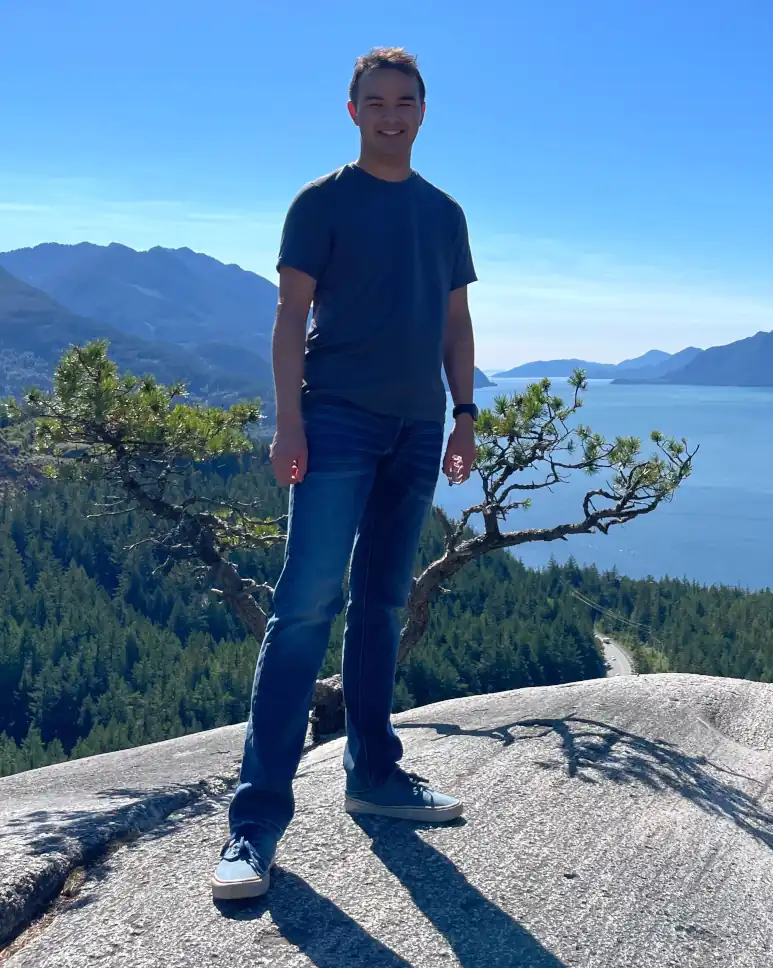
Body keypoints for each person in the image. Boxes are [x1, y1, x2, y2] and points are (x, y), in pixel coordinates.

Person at [212, 46, 479, 901]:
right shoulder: (321, 202)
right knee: (301, 613)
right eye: (377, 100)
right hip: (336, 422)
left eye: (406, 100)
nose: (392, 113)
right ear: (353, 109)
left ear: (423, 111)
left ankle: (375, 774)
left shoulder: (444, 213)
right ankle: (253, 829)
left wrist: (464, 413)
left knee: (384, 605)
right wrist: (289, 423)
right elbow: (290, 318)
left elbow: (455, 322)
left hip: (417, 426)